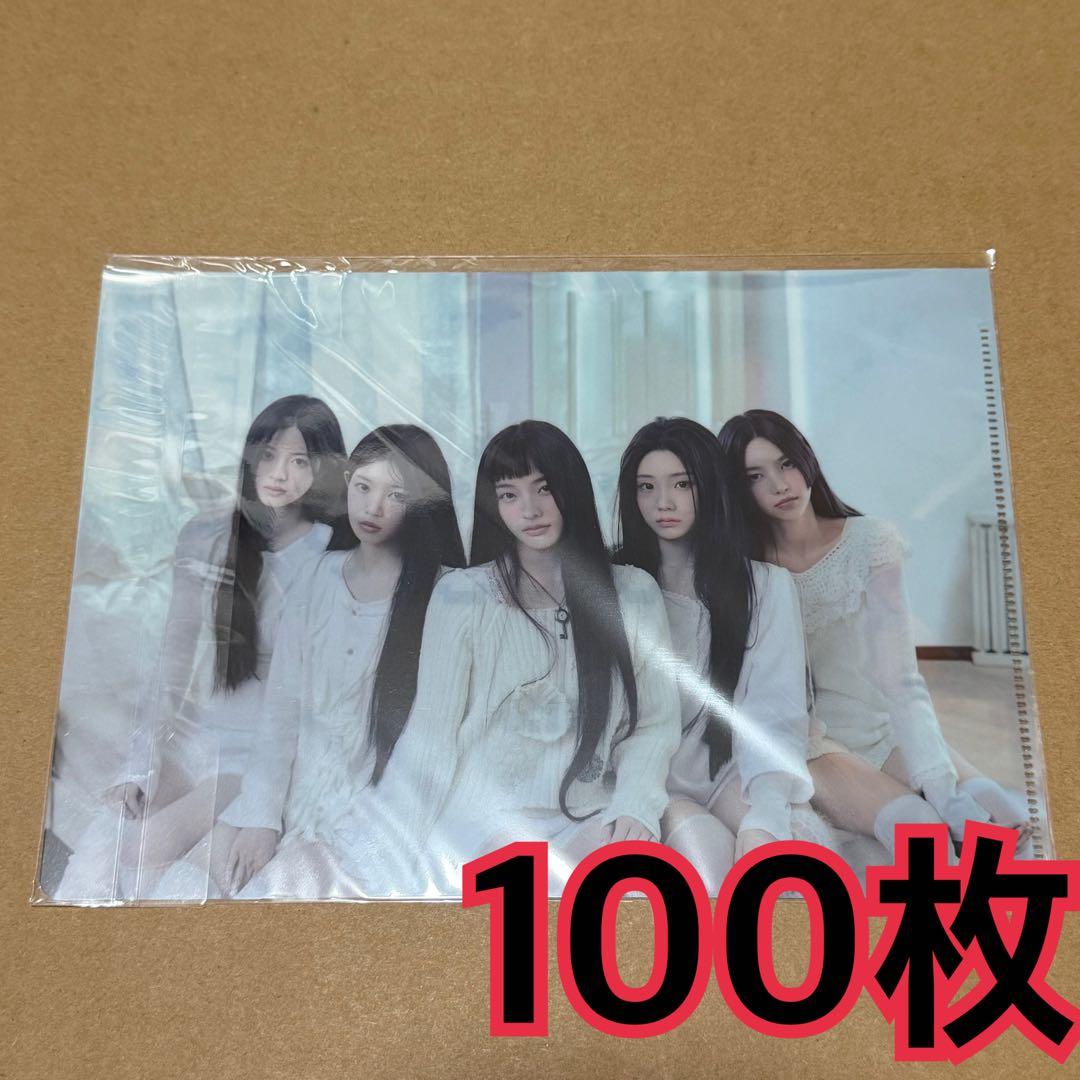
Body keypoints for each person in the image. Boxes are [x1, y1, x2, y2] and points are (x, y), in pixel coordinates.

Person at [349, 420, 681, 896]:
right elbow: (430, 736)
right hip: (482, 820)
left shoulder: (633, 593)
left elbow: (654, 724)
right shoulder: (462, 595)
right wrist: (394, 846)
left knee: (634, 890)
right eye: (508, 494)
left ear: (572, 490)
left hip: (587, 813)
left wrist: (636, 803)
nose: (529, 510)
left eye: (544, 489)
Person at [153, 424, 466, 899]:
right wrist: (261, 819)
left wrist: (351, 838)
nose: (373, 508)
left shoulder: (445, 595)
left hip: (368, 818)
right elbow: (280, 713)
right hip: (284, 800)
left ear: (423, 503)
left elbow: (429, 749)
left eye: (396, 495)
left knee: (263, 905)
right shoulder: (318, 575)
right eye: (364, 487)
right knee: (177, 891)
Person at [55, 395, 345, 902]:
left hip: (264, 746)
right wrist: (140, 762)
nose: (279, 474)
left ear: (323, 469)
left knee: (151, 852)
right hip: (199, 734)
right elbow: (173, 659)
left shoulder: (328, 553)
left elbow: (314, 691)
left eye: (300, 461)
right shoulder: (208, 535)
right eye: (269, 455)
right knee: (109, 840)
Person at [716, 409, 1026, 856]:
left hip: (881, 726)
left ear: (806, 460)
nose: (779, 485)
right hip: (811, 740)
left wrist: (945, 792)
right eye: (755, 477)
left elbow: (901, 680)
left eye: (786, 464)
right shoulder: (748, 570)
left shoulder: (869, 542)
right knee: (922, 834)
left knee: (1002, 815)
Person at [614, 417, 831, 893]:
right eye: (647, 486)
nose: (663, 502)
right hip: (651, 779)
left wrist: (764, 818)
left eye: (682, 484)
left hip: (730, 768)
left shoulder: (765, 586)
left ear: (710, 487)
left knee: (793, 862)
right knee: (707, 869)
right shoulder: (617, 584)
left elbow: (774, 711)